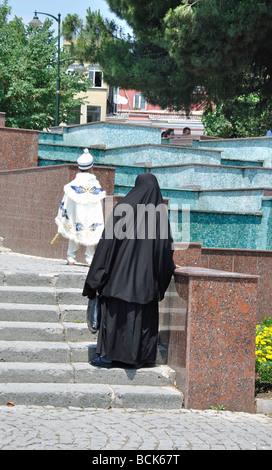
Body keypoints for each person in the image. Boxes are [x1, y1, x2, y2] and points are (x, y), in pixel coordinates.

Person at [82, 173, 176, 368]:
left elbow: (105, 248)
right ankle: (139, 358)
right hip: (145, 285)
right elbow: (165, 255)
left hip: (117, 282)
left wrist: (93, 282)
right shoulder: (160, 218)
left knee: (116, 318)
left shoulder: (121, 211)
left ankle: (109, 356)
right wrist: (161, 280)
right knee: (142, 320)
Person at [55, 148, 106, 266]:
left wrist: (65, 214)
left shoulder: (72, 185)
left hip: (76, 215)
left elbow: (66, 202)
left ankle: (71, 258)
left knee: (73, 230)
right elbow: (99, 204)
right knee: (91, 235)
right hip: (91, 216)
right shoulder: (95, 185)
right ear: (91, 167)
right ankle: (90, 259)